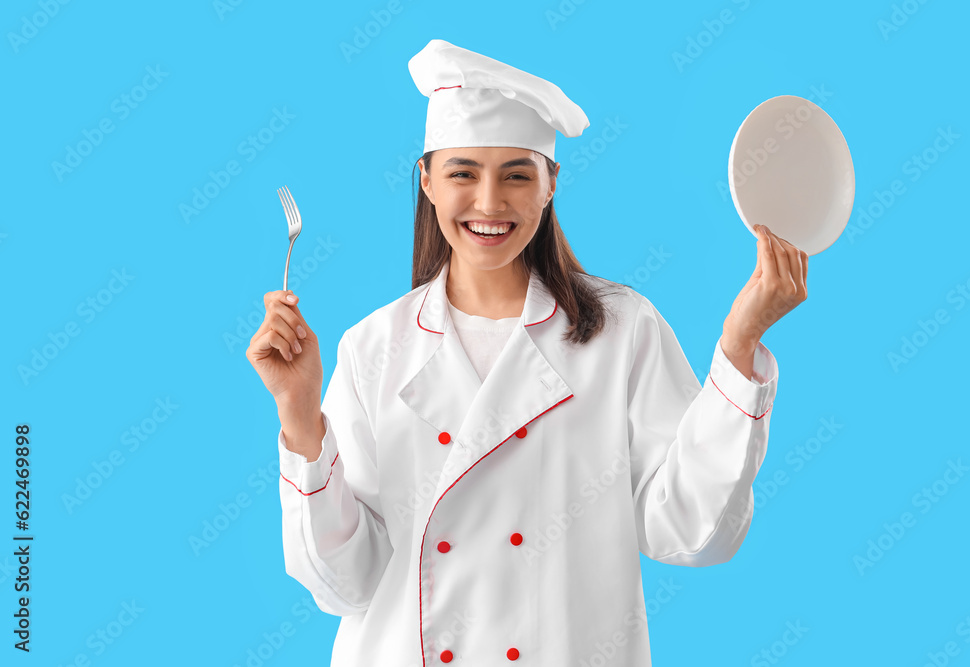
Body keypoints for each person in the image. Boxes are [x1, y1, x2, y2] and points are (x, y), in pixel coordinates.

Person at [246, 38, 807, 667]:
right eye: (462, 172)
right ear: (427, 179)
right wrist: (299, 414)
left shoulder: (623, 331)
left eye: (517, 174)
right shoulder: (373, 346)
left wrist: (738, 346)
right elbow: (344, 583)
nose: (489, 202)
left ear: (550, 184)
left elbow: (691, 530)